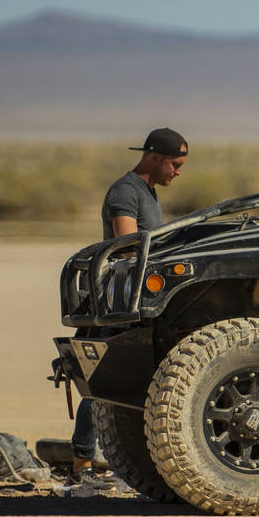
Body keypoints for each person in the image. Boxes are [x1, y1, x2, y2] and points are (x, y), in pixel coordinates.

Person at [70, 127, 189, 483]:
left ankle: (117, 462)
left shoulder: (149, 192)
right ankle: (82, 465)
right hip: (120, 299)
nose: (178, 172)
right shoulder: (126, 191)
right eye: (175, 164)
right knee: (105, 379)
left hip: (138, 296)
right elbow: (126, 245)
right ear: (154, 157)